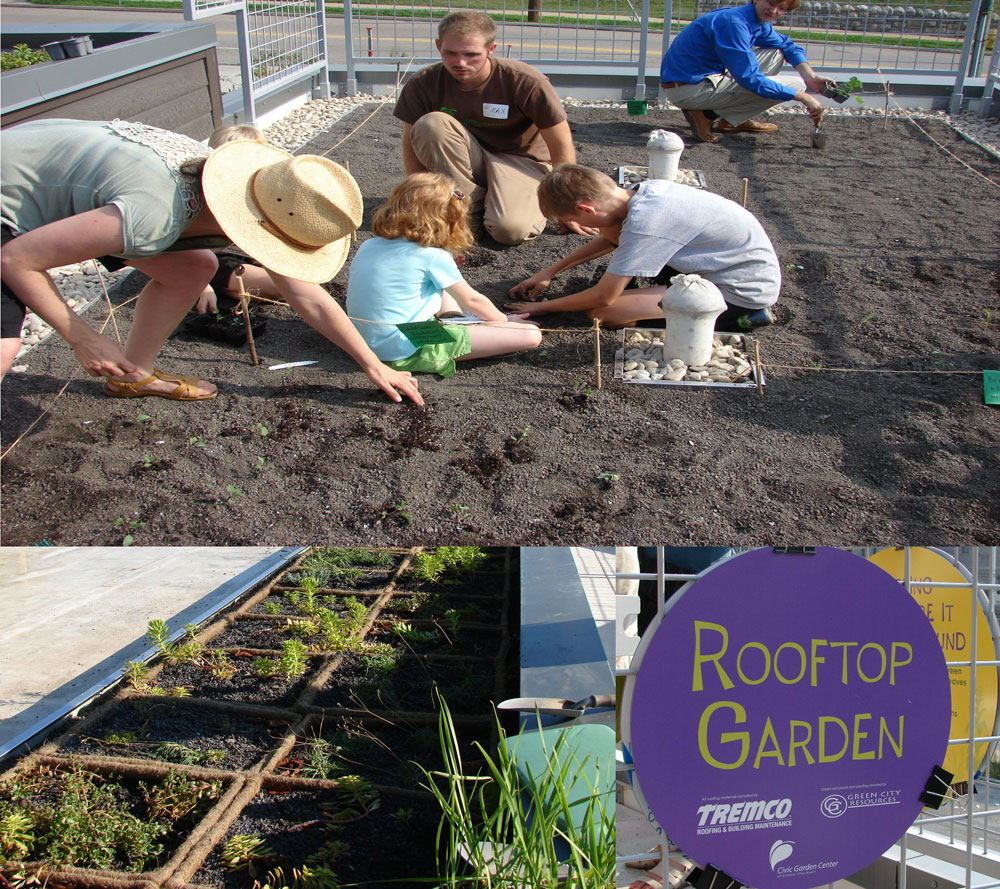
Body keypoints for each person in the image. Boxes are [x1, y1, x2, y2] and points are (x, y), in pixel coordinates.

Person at [0, 118, 422, 405]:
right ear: (257, 222)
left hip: (60, 188)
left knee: (195, 266)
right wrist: (84, 337)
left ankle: (133, 376)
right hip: (9, 203)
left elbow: (305, 297)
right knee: (5, 344)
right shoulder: (155, 213)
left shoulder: (237, 190)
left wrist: (372, 363)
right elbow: (17, 259)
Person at [506, 164, 779, 330]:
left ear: (586, 209)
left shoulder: (646, 222)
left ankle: (736, 319)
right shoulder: (643, 192)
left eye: (572, 220)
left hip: (741, 290)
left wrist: (545, 307)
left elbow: (603, 298)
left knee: (604, 315)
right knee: (617, 257)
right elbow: (613, 238)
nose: (574, 227)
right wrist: (549, 272)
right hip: (725, 264)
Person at [392, 10, 579, 246]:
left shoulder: (525, 81)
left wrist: (564, 203)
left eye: (471, 55)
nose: (460, 63)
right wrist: (420, 195)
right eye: (451, 53)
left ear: (491, 49)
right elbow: (411, 143)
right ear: (438, 46)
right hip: (467, 165)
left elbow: (561, 145)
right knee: (431, 125)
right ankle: (466, 203)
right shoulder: (424, 83)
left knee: (510, 230)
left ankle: (494, 203)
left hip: (521, 161)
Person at [346, 172, 541, 378]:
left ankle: (455, 320)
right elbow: (473, 300)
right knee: (530, 335)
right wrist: (505, 322)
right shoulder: (431, 256)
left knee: (439, 286)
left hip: (362, 343)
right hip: (404, 350)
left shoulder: (369, 245)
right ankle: (475, 333)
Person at [659, 0, 830, 143]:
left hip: (695, 80)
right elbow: (750, 79)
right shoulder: (734, 23)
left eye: (782, 8)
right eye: (771, 2)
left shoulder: (753, 19)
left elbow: (787, 45)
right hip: (687, 89)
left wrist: (810, 76)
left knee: (776, 53)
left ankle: (731, 120)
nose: (774, 10)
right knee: (796, 85)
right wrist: (804, 97)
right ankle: (706, 114)